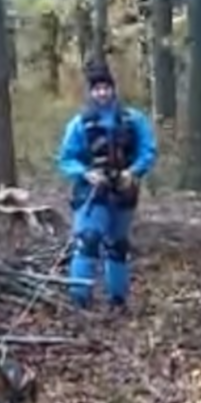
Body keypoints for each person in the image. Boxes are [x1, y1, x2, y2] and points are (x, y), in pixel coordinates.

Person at [56, 61, 158, 308]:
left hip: (123, 190)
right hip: (92, 192)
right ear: (91, 92)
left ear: (113, 89)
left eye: (106, 88)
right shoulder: (80, 123)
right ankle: (79, 299)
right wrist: (85, 173)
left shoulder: (134, 120)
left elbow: (148, 150)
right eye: (97, 89)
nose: (102, 93)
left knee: (118, 244)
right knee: (88, 240)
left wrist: (133, 171)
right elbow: (66, 158)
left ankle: (118, 299)